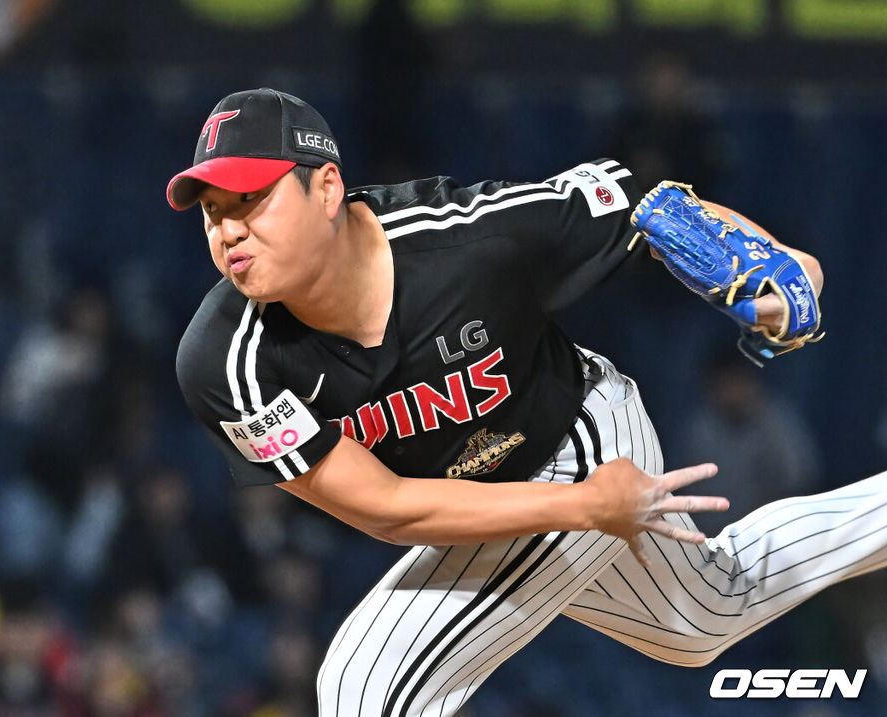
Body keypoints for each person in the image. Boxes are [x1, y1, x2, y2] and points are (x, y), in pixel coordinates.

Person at [165, 88, 887, 716]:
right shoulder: (225, 362)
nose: (229, 229)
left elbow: (642, 204)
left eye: (252, 198)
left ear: (327, 189)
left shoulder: (471, 240)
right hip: (507, 501)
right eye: (212, 211)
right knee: (705, 613)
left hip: (578, 437)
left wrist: (786, 268)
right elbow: (386, 506)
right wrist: (586, 510)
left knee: (367, 684)